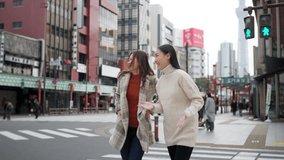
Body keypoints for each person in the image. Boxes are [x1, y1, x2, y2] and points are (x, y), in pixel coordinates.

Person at [140, 44, 204, 160]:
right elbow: (162, 106)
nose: (155, 60)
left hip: (186, 130)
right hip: (170, 132)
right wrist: (153, 106)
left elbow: (198, 100)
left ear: (168, 55)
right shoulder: (161, 82)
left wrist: (187, 113)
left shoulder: (181, 76)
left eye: (157, 56)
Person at [109, 50, 157, 160]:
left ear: (140, 61)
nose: (129, 61)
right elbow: (118, 95)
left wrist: (152, 107)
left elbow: (162, 97)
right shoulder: (123, 77)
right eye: (128, 59)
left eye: (132, 59)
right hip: (123, 126)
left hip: (140, 128)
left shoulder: (151, 80)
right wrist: (118, 109)